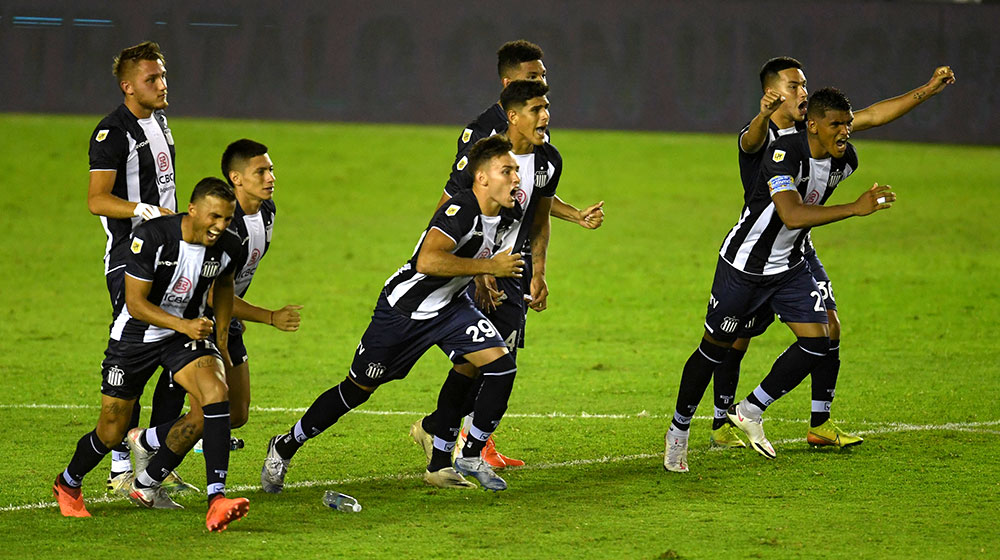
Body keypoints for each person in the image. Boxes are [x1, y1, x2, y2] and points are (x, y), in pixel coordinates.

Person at [706, 58, 956, 450]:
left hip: (798, 247)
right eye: (793, 86)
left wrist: (927, 89)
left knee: (829, 328)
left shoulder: (824, 131)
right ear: (772, 93)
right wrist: (763, 116)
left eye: (804, 85)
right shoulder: (764, 137)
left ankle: (819, 422)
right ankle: (722, 421)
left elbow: (871, 116)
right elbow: (750, 144)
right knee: (736, 339)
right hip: (758, 251)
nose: (802, 92)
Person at [261, 135, 525, 493]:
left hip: (452, 308)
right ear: (482, 179)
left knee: (497, 365)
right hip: (403, 313)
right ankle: (285, 445)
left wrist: (481, 274)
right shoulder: (461, 211)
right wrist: (488, 266)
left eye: (515, 170)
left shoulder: (506, 212)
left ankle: (464, 456)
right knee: (357, 390)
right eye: (506, 171)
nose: (516, 177)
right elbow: (427, 260)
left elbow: (482, 245)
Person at [664, 88, 896, 472]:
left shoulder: (843, 159)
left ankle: (750, 408)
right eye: (836, 125)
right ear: (814, 126)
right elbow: (790, 214)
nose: (845, 132)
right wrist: (854, 208)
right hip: (744, 267)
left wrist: (928, 90)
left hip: (789, 266)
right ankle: (678, 431)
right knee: (713, 351)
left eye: (847, 124)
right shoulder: (783, 153)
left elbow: (875, 114)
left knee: (819, 340)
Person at [421, 40, 605, 468]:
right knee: (481, 358)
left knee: (495, 357)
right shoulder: (483, 138)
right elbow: (455, 200)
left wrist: (560, 238)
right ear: (509, 90)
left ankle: (452, 436)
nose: (542, 89)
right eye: (532, 80)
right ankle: (454, 440)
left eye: (543, 79)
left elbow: (534, 200)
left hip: (514, 264)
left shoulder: (541, 143)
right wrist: (477, 267)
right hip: (477, 260)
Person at [53, 178, 250, 532]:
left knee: (216, 395)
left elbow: (224, 285)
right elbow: (135, 304)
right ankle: (68, 481)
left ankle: (216, 499)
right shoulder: (153, 238)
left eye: (228, 219)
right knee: (111, 432)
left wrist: (221, 338)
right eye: (215, 217)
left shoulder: (229, 246)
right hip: (135, 337)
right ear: (192, 210)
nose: (221, 227)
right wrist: (184, 324)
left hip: (183, 335)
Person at [410, 79, 561, 480]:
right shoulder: (485, 155)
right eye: (537, 107)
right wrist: (476, 270)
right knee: (473, 364)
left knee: (491, 365)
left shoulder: (549, 161)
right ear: (513, 113)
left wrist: (538, 272)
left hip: (511, 273)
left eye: (547, 105)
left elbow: (540, 218)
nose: (546, 114)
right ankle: (450, 449)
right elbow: (450, 209)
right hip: (471, 274)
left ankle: (439, 439)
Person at [125, 140, 302, 462]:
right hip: (191, 323)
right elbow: (209, 291)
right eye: (260, 171)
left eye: (271, 170)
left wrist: (233, 316)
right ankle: (156, 468)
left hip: (224, 321)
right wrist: (269, 316)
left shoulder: (266, 212)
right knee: (203, 409)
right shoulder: (221, 226)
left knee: (236, 413)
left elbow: (229, 283)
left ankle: (148, 441)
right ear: (236, 178)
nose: (270, 177)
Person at [86, 40, 195, 493]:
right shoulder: (112, 132)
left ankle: (156, 462)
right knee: (133, 359)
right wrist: (141, 210)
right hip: (131, 259)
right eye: (152, 79)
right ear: (129, 86)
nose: (162, 84)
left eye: (163, 76)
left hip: (171, 255)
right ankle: (117, 467)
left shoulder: (160, 121)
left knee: (176, 357)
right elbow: (96, 200)